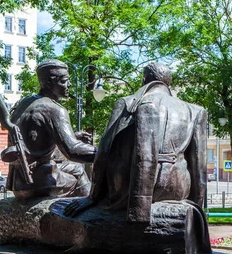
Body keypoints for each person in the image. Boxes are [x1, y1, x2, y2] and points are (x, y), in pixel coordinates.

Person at [65, 62, 208, 225]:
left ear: (143, 80)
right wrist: (197, 209)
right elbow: (199, 169)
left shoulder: (126, 102)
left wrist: (92, 197)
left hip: (128, 189)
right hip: (176, 188)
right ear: (169, 83)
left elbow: (105, 150)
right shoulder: (195, 111)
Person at [0, 59, 97, 200]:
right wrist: (106, 152)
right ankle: (87, 214)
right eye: (64, 81)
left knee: (76, 168)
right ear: (49, 82)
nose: (69, 84)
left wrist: (73, 135)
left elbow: (34, 143)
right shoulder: (54, 109)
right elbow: (73, 150)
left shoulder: (25, 103)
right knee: (79, 177)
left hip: (17, 182)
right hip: (37, 183)